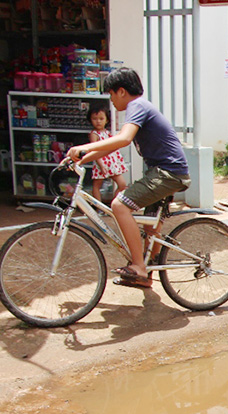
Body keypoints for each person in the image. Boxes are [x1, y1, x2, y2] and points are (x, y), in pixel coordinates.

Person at [65, 68, 191, 289]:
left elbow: (123, 139)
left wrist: (83, 147)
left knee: (119, 205)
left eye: (111, 94)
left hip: (168, 174)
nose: (111, 101)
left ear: (121, 91)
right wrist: (82, 158)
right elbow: (114, 143)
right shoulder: (139, 107)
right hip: (163, 172)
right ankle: (147, 274)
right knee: (151, 229)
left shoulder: (137, 106)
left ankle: (138, 267)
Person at [86, 101, 128, 201]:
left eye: (101, 119)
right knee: (97, 185)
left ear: (107, 120)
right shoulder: (94, 134)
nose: (98, 121)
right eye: (95, 119)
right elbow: (94, 150)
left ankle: (114, 204)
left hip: (112, 163)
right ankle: (99, 207)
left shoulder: (107, 132)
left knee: (122, 185)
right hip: (101, 162)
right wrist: (101, 164)